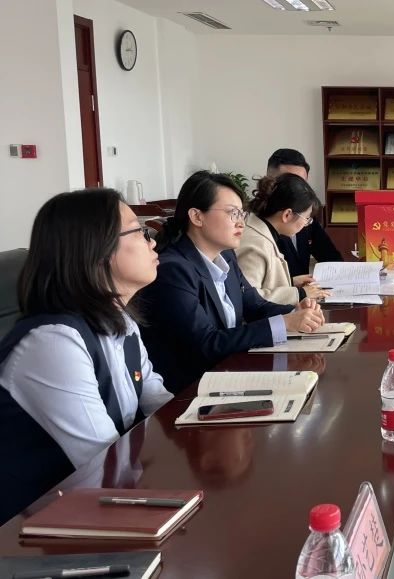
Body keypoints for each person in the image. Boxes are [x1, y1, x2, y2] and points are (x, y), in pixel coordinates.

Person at [0, 189, 173, 523]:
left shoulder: (121, 322)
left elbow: (157, 401)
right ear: (98, 249)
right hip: (32, 528)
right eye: (140, 231)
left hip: (93, 507)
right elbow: (104, 459)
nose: (153, 241)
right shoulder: (53, 342)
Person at [136, 171, 324, 393]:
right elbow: (206, 343)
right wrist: (284, 323)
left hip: (229, 373)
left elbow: (254, 305)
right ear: (197, 217)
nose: (241, 223)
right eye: (232, 213)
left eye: (242, 214)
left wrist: (295, 312)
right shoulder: (173, 270)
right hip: (191, 390)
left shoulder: (225, 255)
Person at [237, 173, 330, 305]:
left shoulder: (261, 230)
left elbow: (261, 284)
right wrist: (300, 293)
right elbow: (247, 298)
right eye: (307, 218)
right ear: (287, 215)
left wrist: (291, 282)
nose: (306, 224)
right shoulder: (255, 243)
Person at [266, 148, 343, 276]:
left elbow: (331, 258)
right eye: (289, 183)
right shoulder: (261, 226)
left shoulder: (306, 216)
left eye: (302, 184)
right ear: (269, 180)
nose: (297, 190)